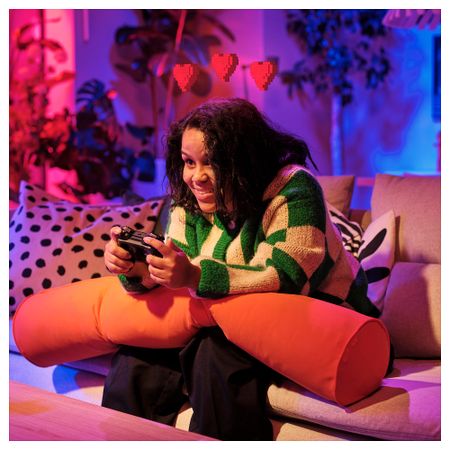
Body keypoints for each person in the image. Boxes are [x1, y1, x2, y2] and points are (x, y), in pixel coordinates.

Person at [101, 98, 383, 440]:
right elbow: (178, 272)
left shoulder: (294, 188)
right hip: (225, 318)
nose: (196, 177)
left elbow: (288, 276)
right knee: (139, 354)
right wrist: (137, 269)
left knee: (214, 353)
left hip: (324, 321)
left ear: (243, 159)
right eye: (189, 162)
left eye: (211, 162)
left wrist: (195, 276)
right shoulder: (190, 199)